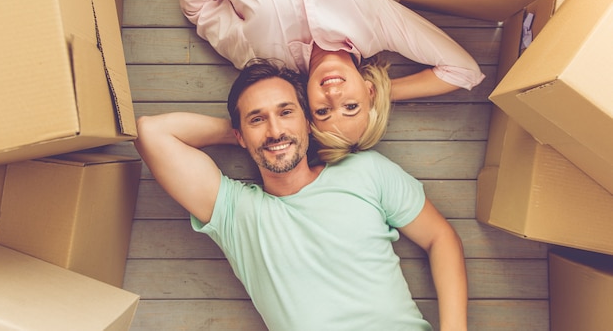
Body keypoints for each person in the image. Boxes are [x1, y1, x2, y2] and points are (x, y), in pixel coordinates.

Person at [134, 58, 469, 331]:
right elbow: (151, 132)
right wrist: (250, 136)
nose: (275, 129)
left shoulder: (366, 171)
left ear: (308, 121)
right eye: (257, 119)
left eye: (286, 112)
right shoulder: (236, 213)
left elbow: (440, 237)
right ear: (239, 134)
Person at [148, 0, 485, 162]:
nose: (333, 93)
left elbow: (198, 7)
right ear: (368, 92)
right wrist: (381, 93)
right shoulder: (375, 23)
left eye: (323, 111)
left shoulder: (262, 56)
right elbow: (463, 70)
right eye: (351, 106)